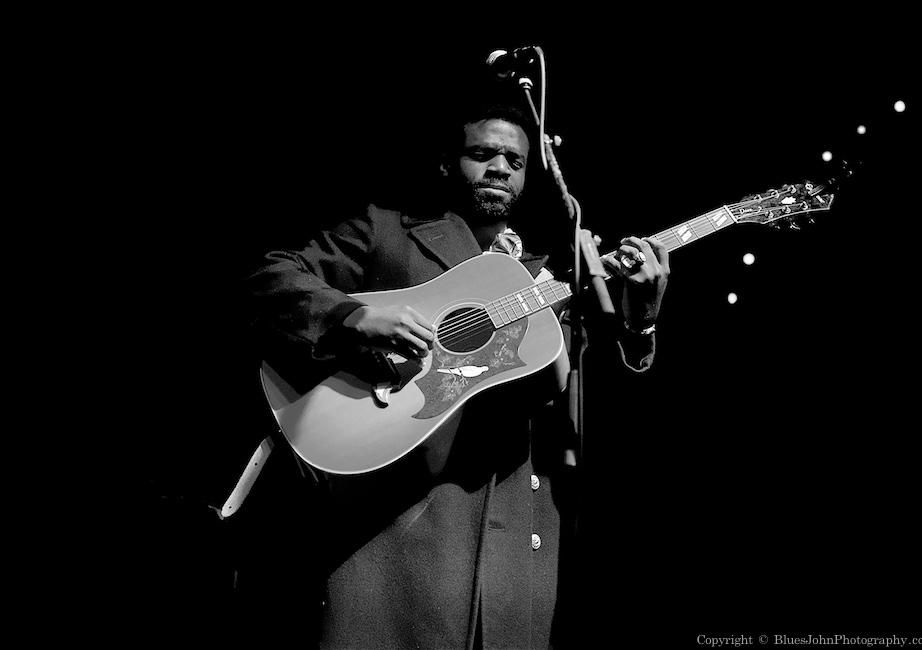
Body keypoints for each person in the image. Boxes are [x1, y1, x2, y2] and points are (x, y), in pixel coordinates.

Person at [233, 78, 670, 649]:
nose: (500, 168)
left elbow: (584, 415)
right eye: (482, 153)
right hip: (400, 538)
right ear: (447, 163)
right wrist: (350, 317)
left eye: (515, 161)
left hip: (516, 558)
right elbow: (269, 279)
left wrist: (640, 324)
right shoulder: (389, 233)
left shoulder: (549, 283)